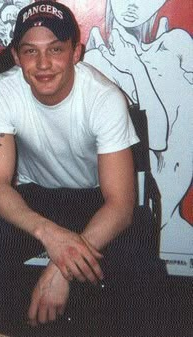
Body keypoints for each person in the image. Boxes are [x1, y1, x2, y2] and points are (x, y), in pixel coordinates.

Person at [0, 1, 139, 327]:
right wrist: (51, 236)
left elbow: (121, 205)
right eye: (31, 52)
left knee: (138, 258)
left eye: (56, 49)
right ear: (16, 57)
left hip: (96, 199)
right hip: (35, 195)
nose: (44, 64)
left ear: (76, 52)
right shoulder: (1, 92)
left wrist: (61, 266)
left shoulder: (104, 99)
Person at [84, 0, 193, 254]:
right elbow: (153, 136)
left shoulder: (178, 48)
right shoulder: (96, 60)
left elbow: (160, 137)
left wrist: (136, 66)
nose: (133, 3)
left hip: (170, 230)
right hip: (117, 225)